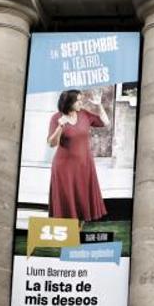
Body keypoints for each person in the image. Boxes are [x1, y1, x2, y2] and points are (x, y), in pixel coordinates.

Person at [48, 89, 109, 221]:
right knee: (67, 199)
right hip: (64, 167)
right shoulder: (56, 118)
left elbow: (105, 122)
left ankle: (79, 228)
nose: (81, 103)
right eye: (78, 101)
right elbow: (52, 143)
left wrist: (99, 105)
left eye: (81, 99)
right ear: (69, 102)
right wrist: (60, 126)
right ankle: (67, 231)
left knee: (81, 197)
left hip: (84, 164)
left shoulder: (84, 114)